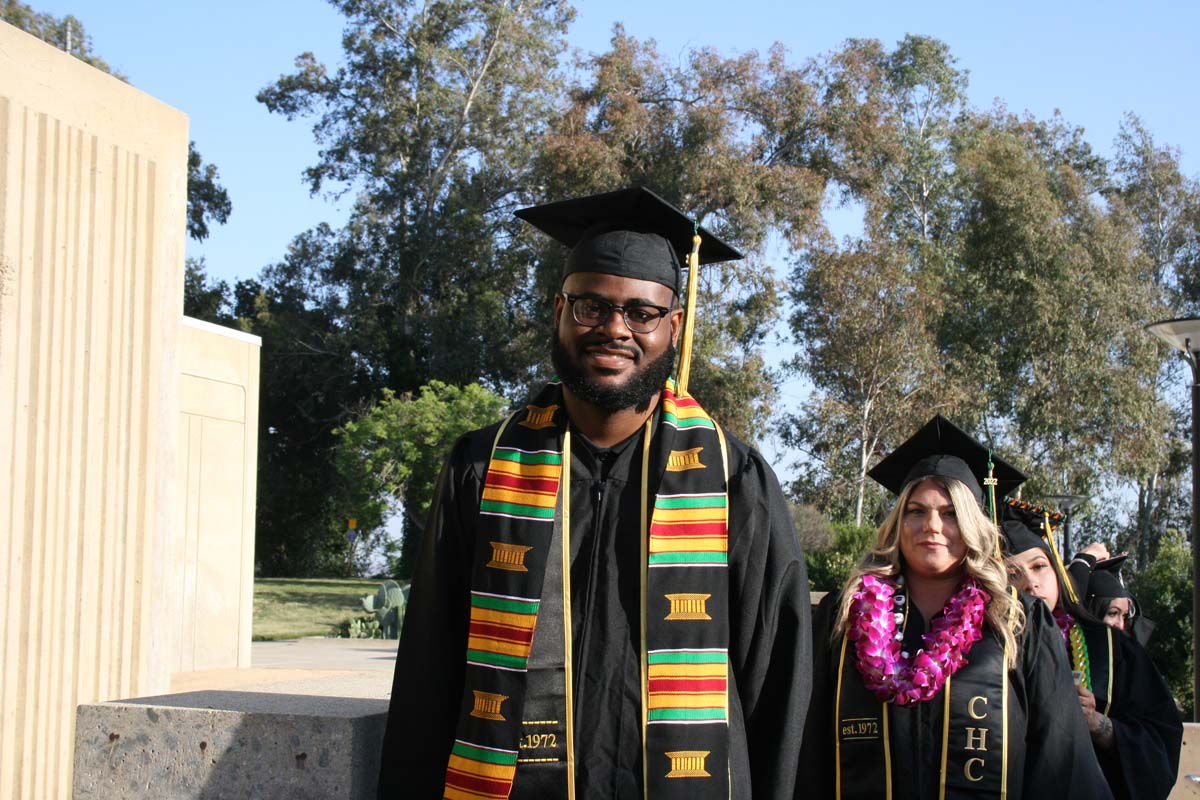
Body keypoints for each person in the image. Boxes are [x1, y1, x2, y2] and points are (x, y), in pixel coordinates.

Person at [376, 187, 812, 800]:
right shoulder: (482, 467)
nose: (614, 329)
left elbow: (778, 679)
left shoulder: (734, 480)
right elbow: (430, 667)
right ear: (558, 310)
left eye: (642, 312)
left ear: (674, 327)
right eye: (591, 306)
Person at [800, 415, 1112, 799]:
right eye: (916, 511)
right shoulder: (845, 617)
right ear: (898, 523)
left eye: (950, 513)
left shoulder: (1017, 622)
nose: (932, 525)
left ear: (971, 525)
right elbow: (808, 749)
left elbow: (1060, 761)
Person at [1004, 502, 1181, 800]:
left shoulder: (1111, 648)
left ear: (1058, 572)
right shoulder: (976, 649)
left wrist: (1098, 724)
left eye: (1039, 566)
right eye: (1012, 574)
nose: (1030, 583)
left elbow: (1161, 741)